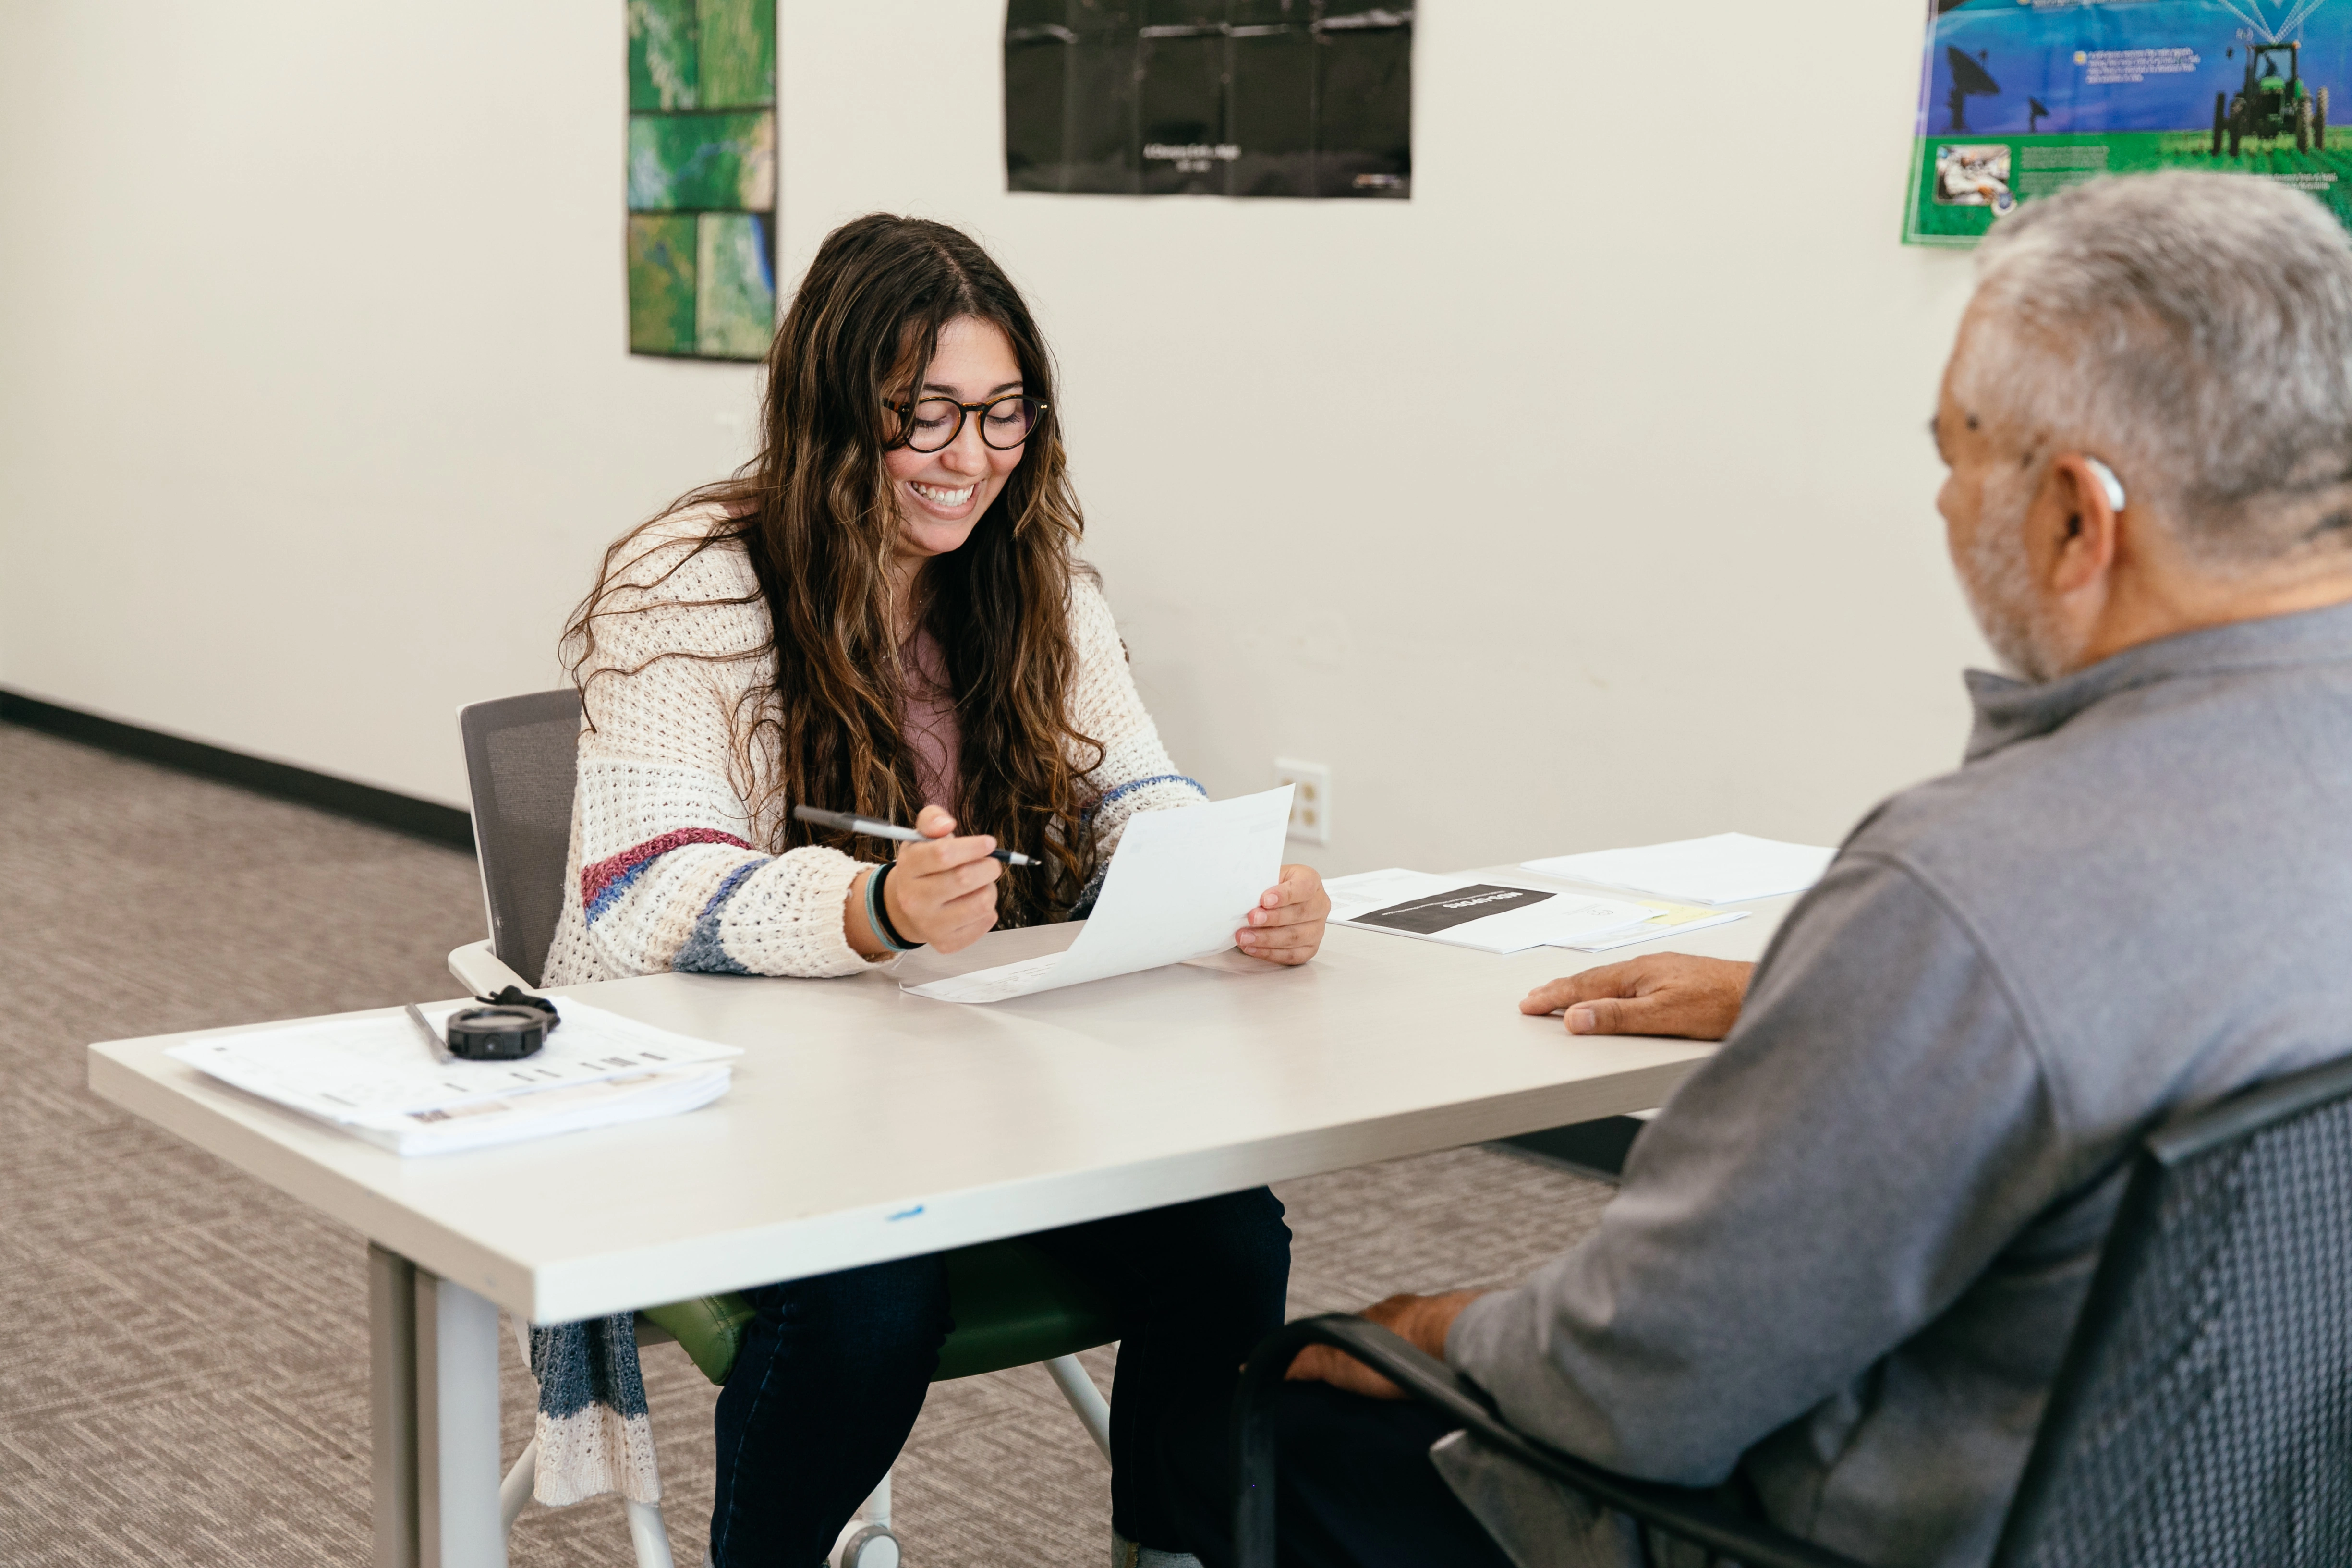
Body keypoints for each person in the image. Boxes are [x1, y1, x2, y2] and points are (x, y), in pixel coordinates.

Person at [1159, 169, 2352, 1568]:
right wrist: (1833, 999)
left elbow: (1636, 1377)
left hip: (1851, 1537)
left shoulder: (1966, 891)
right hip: (2253, 1510)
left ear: (2077, 521)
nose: (1943, 500)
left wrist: (1421, 1327)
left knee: (1271, 1416)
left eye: (1958, 449)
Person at [547, 213, 1330, 1568]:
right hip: (744, 1099)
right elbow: (640, 893)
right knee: (869, 1295)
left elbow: (1132, 787)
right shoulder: (690, 582)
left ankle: (1174, 1552)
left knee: (1229, 1245)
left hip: (969, 1085)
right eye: (927, 418)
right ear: (835, 415)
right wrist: (872, 913)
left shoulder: (1038, 580)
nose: (971, 460)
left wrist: (1233, 882)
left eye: (1005, 413)